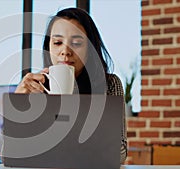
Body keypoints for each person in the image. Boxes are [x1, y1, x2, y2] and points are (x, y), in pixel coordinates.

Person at [15, 7, 127, 163]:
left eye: (76, 43)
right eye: (57, 42)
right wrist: (18, 105)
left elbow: (119, 152)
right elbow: (8, 153)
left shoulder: (109, 85)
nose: (65, 51)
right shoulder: (35, 88)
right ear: (49, 48)